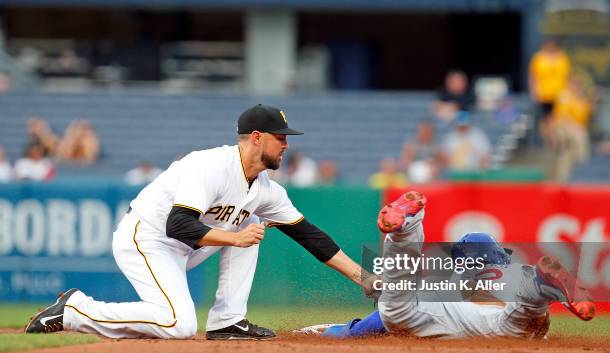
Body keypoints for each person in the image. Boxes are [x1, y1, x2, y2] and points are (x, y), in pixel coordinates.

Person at [24, 104, 376, 340]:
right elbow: (177, 225)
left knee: (251, 220)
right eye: (280, 137)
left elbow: (309, 236)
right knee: (179, 324)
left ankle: (227, 321)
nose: (286, 145)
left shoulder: (266, 189)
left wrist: (363, 278)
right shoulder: (209, 166)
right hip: (147, 238)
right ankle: (75, 309)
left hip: (185, 247)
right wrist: (233, 239)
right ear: (257, 137)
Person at [298, 191, 595, 339]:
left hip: (435, 310)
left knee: (397, 303)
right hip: (495, 322)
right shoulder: (511, 276)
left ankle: (407, 228)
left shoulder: (449, 280)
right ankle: (541, 289)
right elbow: (537, 328)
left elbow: (377, 322)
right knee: (524, 313)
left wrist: (332, 331)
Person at [549, 74, 595, 181]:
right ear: (568, 84)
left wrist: (592, 99)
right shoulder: (564, 95)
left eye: (577, 85)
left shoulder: (580, 99)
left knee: (566, 156)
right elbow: (564, 116)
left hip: (573, 132)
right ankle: (582, 155)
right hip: (562, 127)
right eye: (573, 84)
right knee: (579, 134)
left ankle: (561, 181)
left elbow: (587, 114)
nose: (575, 87)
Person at [529, 39, 571, 143]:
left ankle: (556, 139)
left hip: (559, 93)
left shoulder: (562, 57)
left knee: (557, 118)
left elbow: (567, 76)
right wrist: (533, 90)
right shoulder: (538, 57)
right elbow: (533, 76)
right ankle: (548, 139)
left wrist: (567, 91)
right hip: (544, 93)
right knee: (546, 118)